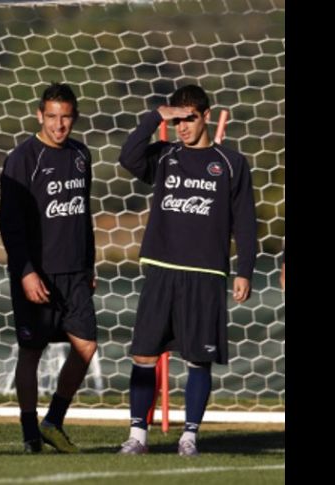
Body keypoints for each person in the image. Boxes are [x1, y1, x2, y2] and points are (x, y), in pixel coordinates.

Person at [117, 84, 257, 456]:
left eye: (189, 118)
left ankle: (189, 437)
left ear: (206, 116)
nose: (182, 127)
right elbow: (127, 156)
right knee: (144, 355)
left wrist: (245, 270)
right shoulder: (164, 156)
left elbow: (245, 221)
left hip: (206, 273)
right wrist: (154, 117)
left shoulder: (230, 163)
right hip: (162, 268)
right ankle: (137, 437)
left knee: (198, 357)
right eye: (177, 119)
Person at [0, 83, 98, 454]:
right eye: (52, 117)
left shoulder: (80, 155)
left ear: (74, 117)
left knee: (86, 346)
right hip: (37, 272)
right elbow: (9, 224)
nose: (59, 125)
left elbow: (83, 215)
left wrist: (89, 263)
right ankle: (29, 432)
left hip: (75, 273)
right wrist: (26, 271)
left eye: (66, 117)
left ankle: (53, 421)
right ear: (40, 115)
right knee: (31, 351)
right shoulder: (22, 158)